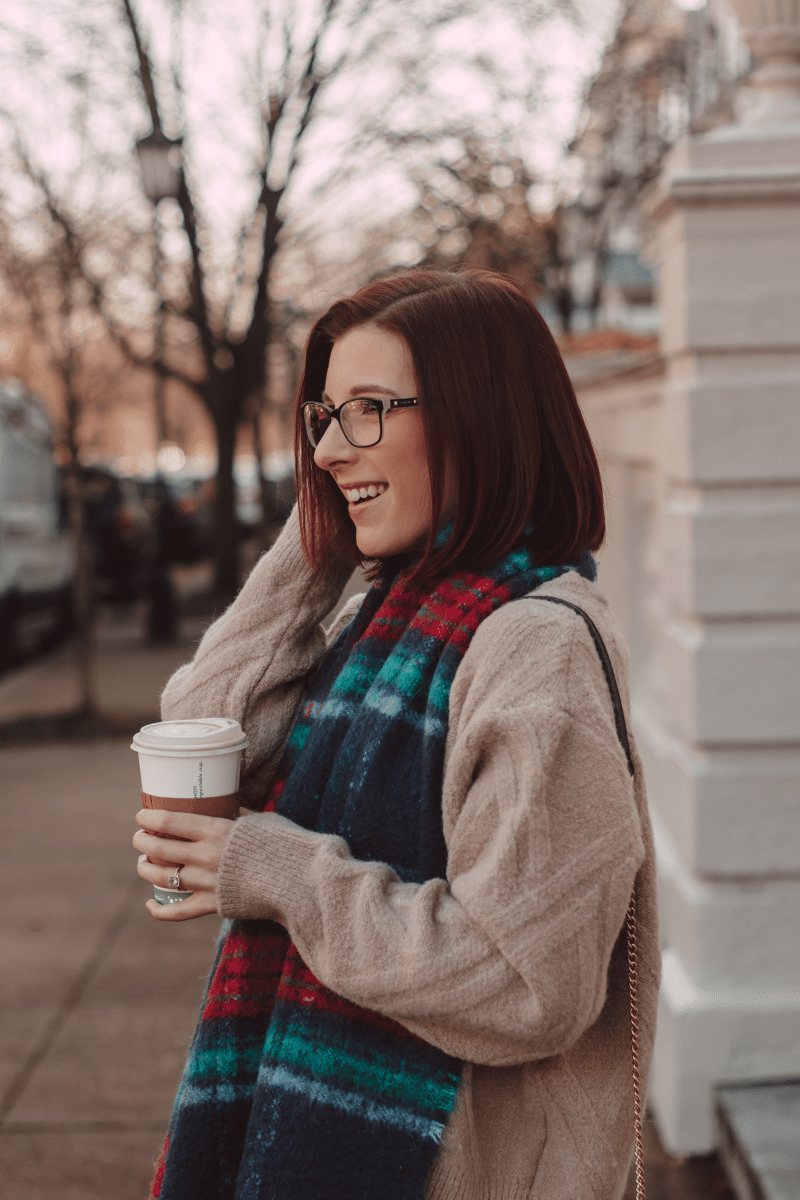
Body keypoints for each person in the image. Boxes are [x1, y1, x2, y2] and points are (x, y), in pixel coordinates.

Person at [133, 269, 659, 1200]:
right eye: (325, 417)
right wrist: (318, 538)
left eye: (370, 410)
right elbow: (205, 726)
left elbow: (523, 985)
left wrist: (273, 870)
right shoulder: (387, 614)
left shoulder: (531, 647)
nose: (332, 447)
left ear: (479, 420)